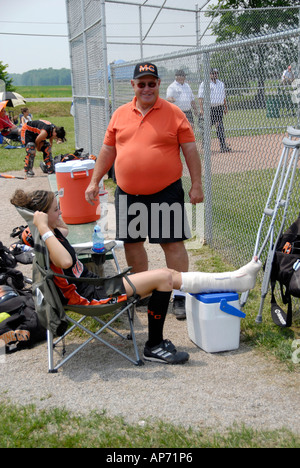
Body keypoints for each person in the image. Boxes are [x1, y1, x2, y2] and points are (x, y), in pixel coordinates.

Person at [10, 189, 262, 365]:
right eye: (56, 208)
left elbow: (62, 228)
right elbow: (64, 260)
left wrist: (42, 221)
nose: (60, 210)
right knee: (164, 278)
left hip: (96, 287)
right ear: (43, 216)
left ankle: (236, 279)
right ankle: (154, 345)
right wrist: (41, 226)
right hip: (92, 296)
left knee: (170, 275)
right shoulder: (47, 240)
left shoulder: (51, 233)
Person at [85, 62, 204, 321]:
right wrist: (95, 181)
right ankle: (143, 291)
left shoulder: (174, 113)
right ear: (133, 86)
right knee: (133, 244)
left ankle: (179, 294)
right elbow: (108, 150)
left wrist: (196, 184)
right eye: (142, 83)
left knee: (171, 244)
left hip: (165, 191)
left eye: (152, 83)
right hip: (128, 193)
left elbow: (190, 150)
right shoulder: (119, 114)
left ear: (159, 84)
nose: (147, 88)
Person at [198, 68, 231, 153]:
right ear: (209, 74)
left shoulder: (221, 84)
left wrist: (225, 107)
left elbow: (223, 97)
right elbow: (201, 97)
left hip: (219, 107)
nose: (215, 75)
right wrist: (202, 109)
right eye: (213, 73)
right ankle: (205, 145)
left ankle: (223, 146)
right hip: (209, 108)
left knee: (219, 126)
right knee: (207, 127)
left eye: (216, 73)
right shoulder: (204, 83)